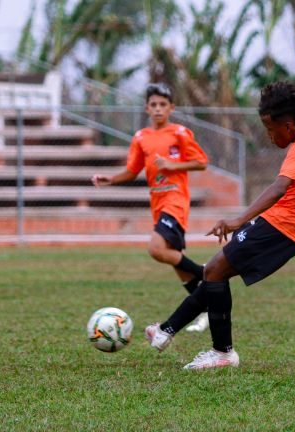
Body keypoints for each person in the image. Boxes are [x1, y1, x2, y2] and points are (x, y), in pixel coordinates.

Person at [145, 82, 295, 369]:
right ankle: (166, 331)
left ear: (287, 125)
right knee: (215, 272)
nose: (269, 136)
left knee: (214, 271)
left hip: (284, 226)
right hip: (288, 224)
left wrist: (238, 220)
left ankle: (222, 353)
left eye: (270, 129)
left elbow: (279, 188)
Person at [92, 83, 210, 332]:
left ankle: (207, 273)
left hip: (176, 200)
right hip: (157, 203)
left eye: (163, 105)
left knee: (156, 248)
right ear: (147, 108)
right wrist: (111, 179)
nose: (158, 109)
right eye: (153, 105)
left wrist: (171, 166)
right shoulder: (141, 137)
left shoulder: (180, 132)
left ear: (171, 108)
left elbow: (201, 162)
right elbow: (133, 171)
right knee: (178, 266)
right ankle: (208, 308)